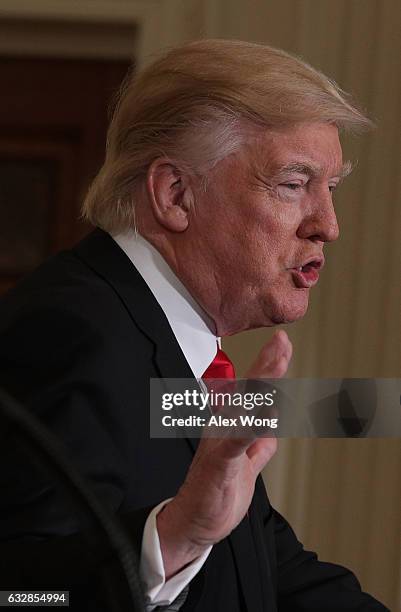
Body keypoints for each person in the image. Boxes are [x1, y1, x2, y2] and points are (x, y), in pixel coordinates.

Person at [0, 39, 388, 611]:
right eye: (293, 183)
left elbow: (266, 571)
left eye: (330, 189)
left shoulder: (175, 350)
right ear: (176, 194)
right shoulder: (74, 335)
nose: (328, 226)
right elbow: (23, 592)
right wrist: (174, 537)